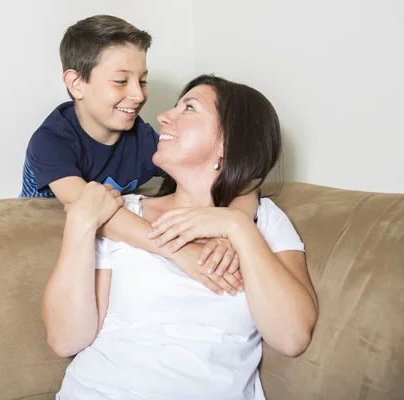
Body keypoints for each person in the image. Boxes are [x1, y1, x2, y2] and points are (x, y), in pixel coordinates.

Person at [42, 74, 319, 399]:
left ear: (228, 142)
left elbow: (292, 337)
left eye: (189, 108)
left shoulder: (263, 221)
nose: (162, 116)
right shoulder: (120, 213)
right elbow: (65, 340)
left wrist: (236, 227)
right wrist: (79, 224)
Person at [21, 15, 260, 294]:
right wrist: (179, 252)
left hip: (107, 250)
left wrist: (231, 228)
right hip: (44, 238)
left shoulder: (144, 141)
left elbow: (245, 180)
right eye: (121, 81)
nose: (137, 95)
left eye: (143, 81)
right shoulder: (51, 141)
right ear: (76, 84)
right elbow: (91, 211)